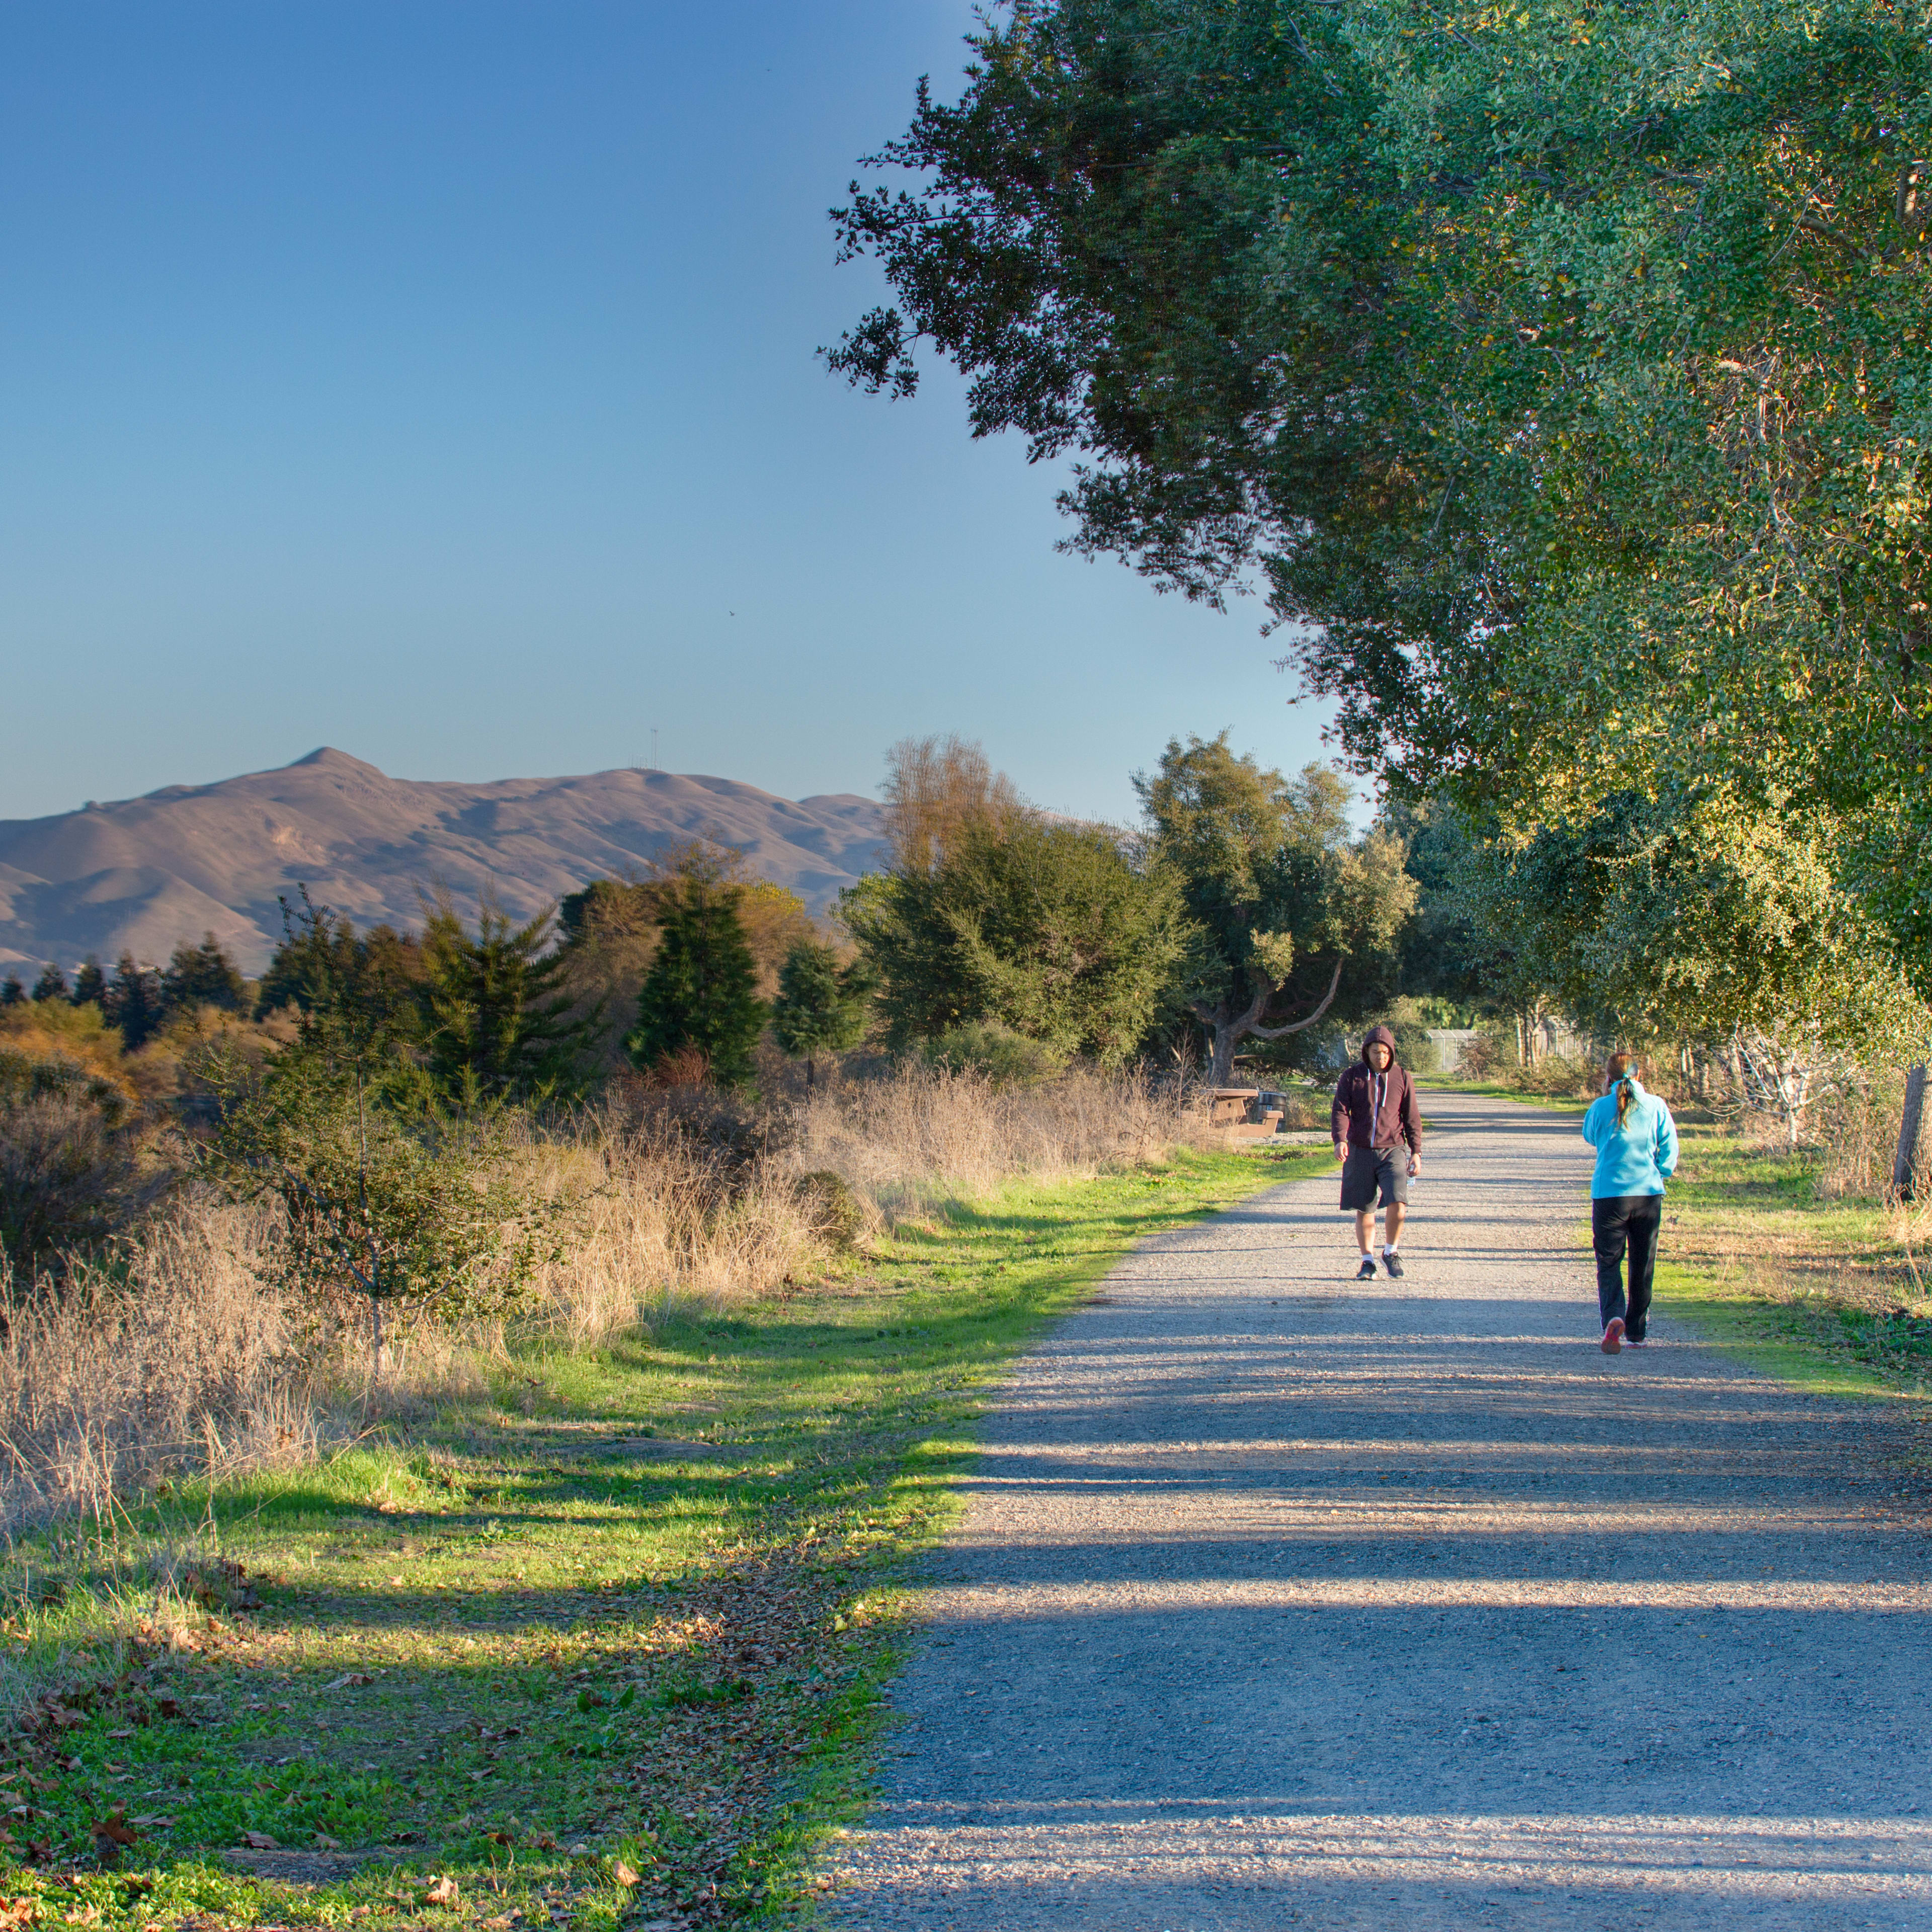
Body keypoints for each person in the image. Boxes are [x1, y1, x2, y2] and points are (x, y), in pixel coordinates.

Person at [1581, 1050, 1679, 1354]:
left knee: (1608, 1262)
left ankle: (1613, 1316)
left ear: (1607, 1077)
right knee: (1642, 1262)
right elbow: (1669, 1151)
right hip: (1647, 1194)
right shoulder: (1656, 1106)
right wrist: (1659, 1173)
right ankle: (1636, 1332)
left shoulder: (1600, 1107)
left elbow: (1590, 1137)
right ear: (1639, 1076)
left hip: (1609, 1196)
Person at [1331, 1024, 1423, 1278]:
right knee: (1366, 1209)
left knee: (1398, 1201)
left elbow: (1412, 1116)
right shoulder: (1352, 1077)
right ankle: (1367, 1261)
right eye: (1375, 1052)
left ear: (1391, 1052)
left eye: (1385, 1052)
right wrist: (1340, 1140)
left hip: (1393, 1149)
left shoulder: (1402, 1077)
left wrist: (1416, 1151)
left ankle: (1391, 1252)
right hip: (1360, 1150)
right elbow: (1340, 1110)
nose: (1380, 1057)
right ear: (1366, 1052)